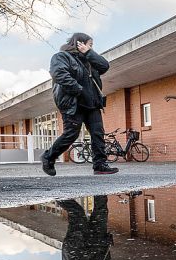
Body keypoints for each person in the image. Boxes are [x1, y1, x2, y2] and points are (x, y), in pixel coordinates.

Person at [41, 33, 118, 175]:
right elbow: (59, 74)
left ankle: (100, 165)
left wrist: (88, 52)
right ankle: (48, 157)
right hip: (73, 103)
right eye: (90, 44)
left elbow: (104, 66)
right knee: (71, 134)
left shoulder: (89, 60)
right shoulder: (61, 56)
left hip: (92, 104)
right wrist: (78, 90)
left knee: (98, 133)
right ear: (79, 43)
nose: (91, 47)